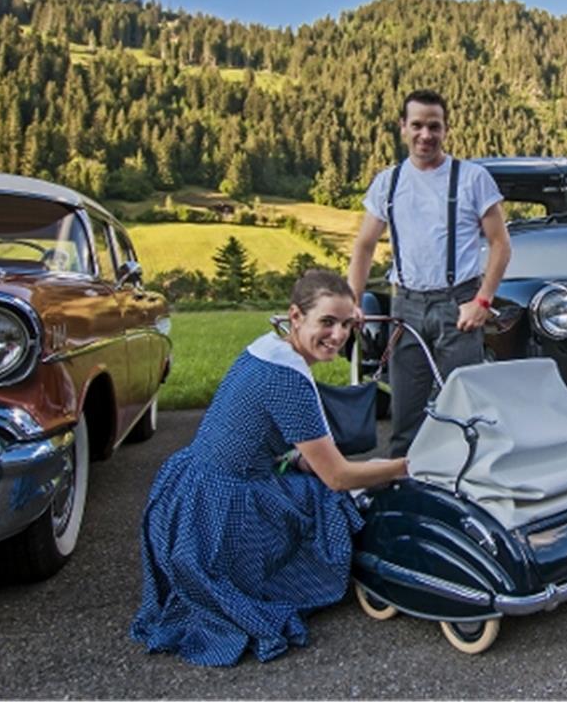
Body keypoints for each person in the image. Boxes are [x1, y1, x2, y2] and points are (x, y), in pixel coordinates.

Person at [130, 270, 407, 667]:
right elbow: (337, 475)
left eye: (348, 324)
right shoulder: (287, 379)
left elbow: (254, 435)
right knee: (331, 502)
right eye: (327, 322)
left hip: (187, 488)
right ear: (296, 317)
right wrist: (400, 466)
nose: (339, 334)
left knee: (309, 480)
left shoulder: (264, 349)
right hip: (221, 510)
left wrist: (294, 460)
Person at [349, 89, 511, 456]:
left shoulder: (472, 178)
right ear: (403, 127)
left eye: (434, 126)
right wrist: (352, 301)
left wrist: (482, 300)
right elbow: (363, 245)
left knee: (464, 411)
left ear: (446, 129)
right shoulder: (387, 183)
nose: (426, 135)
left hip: (458, 307)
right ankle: (402, 495)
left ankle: (466, 496)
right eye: (417, 125)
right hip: (405, 307)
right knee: (405, 417)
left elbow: (501, 244)